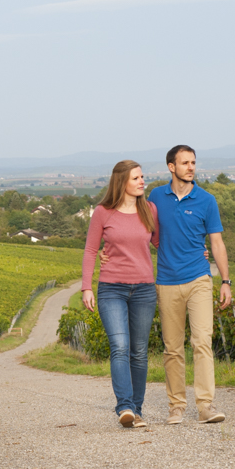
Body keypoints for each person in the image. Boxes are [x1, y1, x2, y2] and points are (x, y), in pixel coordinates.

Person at [149, 144, 231, 424]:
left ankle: (205, 405)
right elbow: (144, 231)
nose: (191, 167)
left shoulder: (207, 200)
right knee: (172, 348)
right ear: (171, 167)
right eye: (185, 163)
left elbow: (217, 243)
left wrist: (225, 281)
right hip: (167, 282)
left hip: (199, 278)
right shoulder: (157, 196)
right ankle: (176, 406)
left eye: (193, 162)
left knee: (202, 342)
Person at [81, 160, 159, 428]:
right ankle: (124, 406)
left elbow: (162, 244)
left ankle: (137, 410)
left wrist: (199, 252)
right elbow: (91, 250)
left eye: (142, 177)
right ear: (122, 182)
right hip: (111, 289)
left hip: (145, 290)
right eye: (136, 178)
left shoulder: (150, 210)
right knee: (120, 347)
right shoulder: (103, 212)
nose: (142, 181)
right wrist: (86, 287)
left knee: (138, 351)